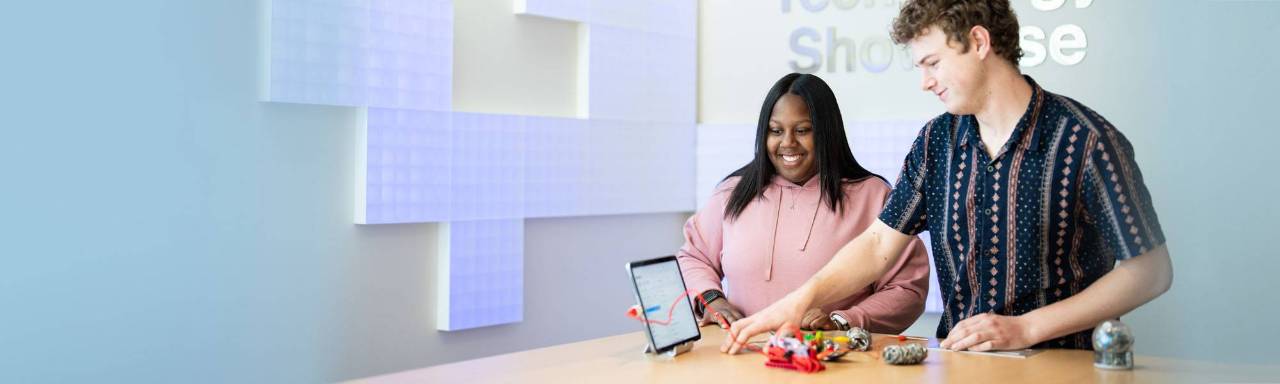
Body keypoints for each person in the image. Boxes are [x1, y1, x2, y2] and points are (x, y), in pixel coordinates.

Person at [723, 0, 1172, 354]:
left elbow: (1151, 271)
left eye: (932, 63)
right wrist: (799, 301)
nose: (925, 81)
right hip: (961, 362)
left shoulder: (1086, 140)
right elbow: (880, 244)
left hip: (1063, 365)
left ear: (978, 42)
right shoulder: (937, 140)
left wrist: (1025, 328)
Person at [678, 73, 931, 334]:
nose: (787, 143)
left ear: (826, 133)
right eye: (776, 131)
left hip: (836, 364)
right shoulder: (732, 193)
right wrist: (711, 299)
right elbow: (693, 257)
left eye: (802, 130)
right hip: (742, 360)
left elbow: (906, 288)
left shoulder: (874, 196)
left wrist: (845, 321)